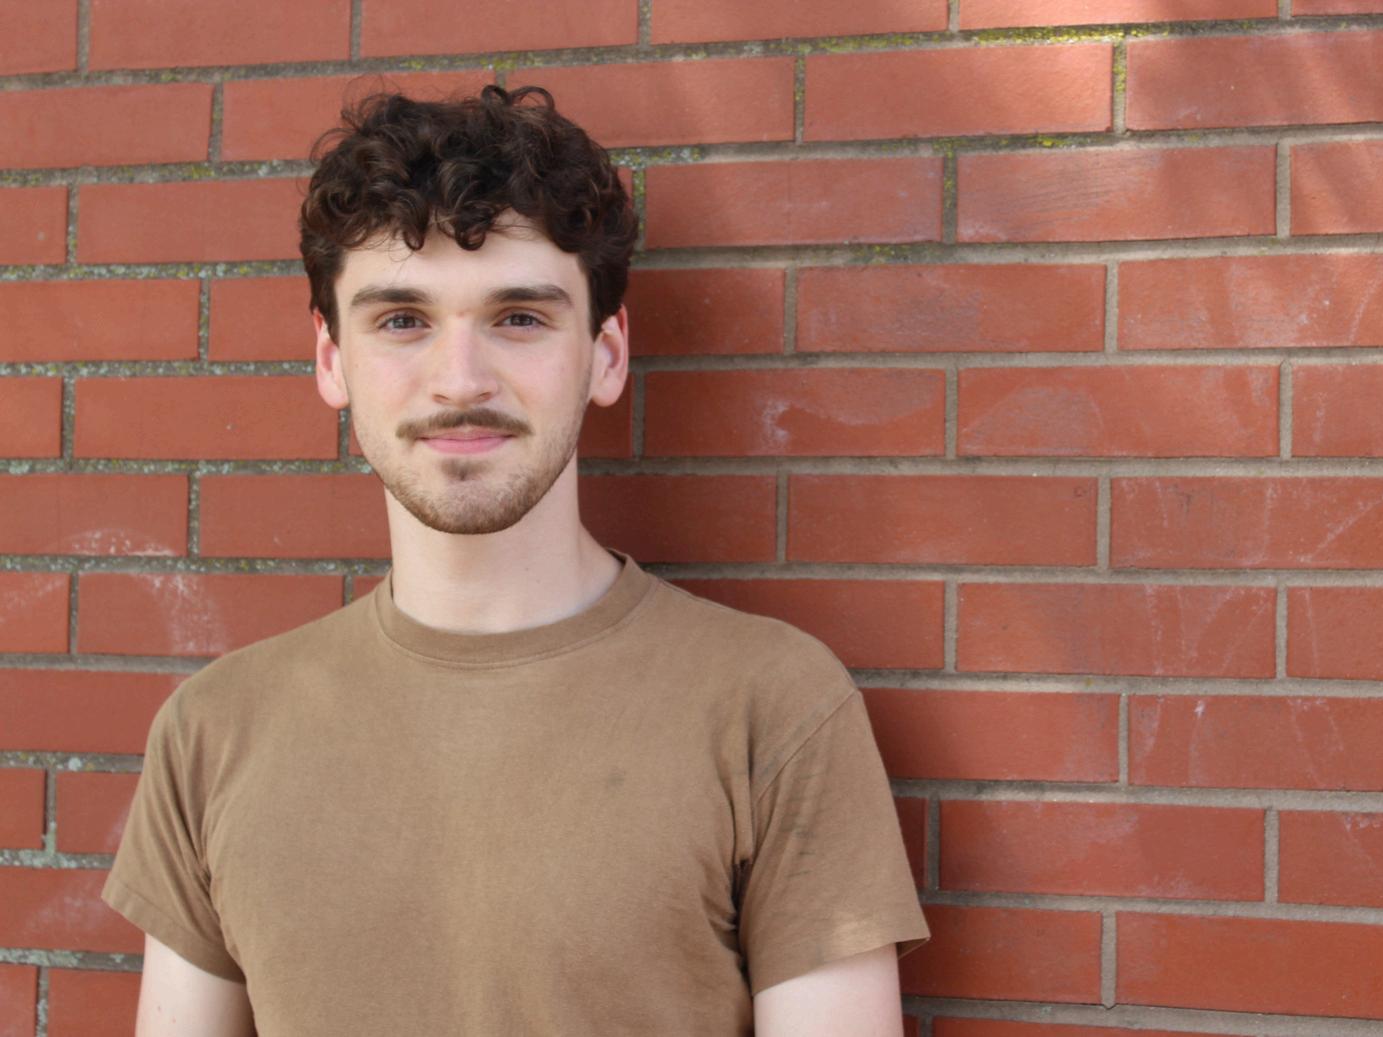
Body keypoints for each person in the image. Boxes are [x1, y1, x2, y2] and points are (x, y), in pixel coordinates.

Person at [99, 84, 930, 1035]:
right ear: (331, 360)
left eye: (520, 318)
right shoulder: (212, 733)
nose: (461, 380)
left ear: (606, 355)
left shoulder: (773, 709)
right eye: (402, 320)